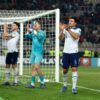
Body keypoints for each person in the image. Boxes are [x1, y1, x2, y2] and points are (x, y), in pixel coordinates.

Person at [59, 17, 81, 94]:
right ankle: (64, 85)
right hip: (66, 52)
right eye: (69, 21)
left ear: (75, 23)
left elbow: (76, 37)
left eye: (71, 21)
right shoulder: (65, 29)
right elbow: (60, 38)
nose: (70, 22)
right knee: (65, 70)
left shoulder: (78, 29)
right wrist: (62, 30)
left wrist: (68, 29)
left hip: (74, 52)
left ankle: (74, 87)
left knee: (74, 69)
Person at [25, 21, 46, 89]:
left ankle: (42, 82)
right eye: (34, 25)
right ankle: (32, 84)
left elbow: (40, 38)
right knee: (33, 67)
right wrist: (28, 31)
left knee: (36, 67)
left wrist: (33, 30)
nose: (35, 25)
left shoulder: (43, 32)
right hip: (33, 52)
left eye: (36, 24)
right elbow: (27, 37)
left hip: (39, 52)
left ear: (39, 25)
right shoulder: (33, 33)